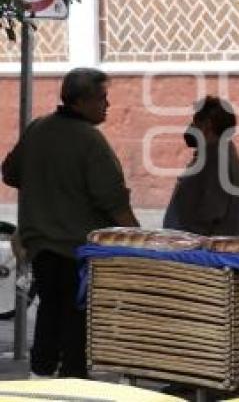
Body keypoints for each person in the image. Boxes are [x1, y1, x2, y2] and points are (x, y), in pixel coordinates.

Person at [1, 68, 139, 378]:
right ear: (80, 101)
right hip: (78, 250)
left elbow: (10, 172)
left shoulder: (37, 129)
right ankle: (72, 384)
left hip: (41, 247)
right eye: (101, 97)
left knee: (50, 312)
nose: (108, 104)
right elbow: (113, 200)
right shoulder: (91, 141)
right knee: (78, 322)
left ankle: (40, 377)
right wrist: (137, 236)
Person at [163, 96, 239, 236]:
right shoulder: (217, 153)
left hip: (201, 250)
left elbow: (211, 212)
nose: (190, 127)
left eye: (195, 121)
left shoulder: (215, 159)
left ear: (207, 125)